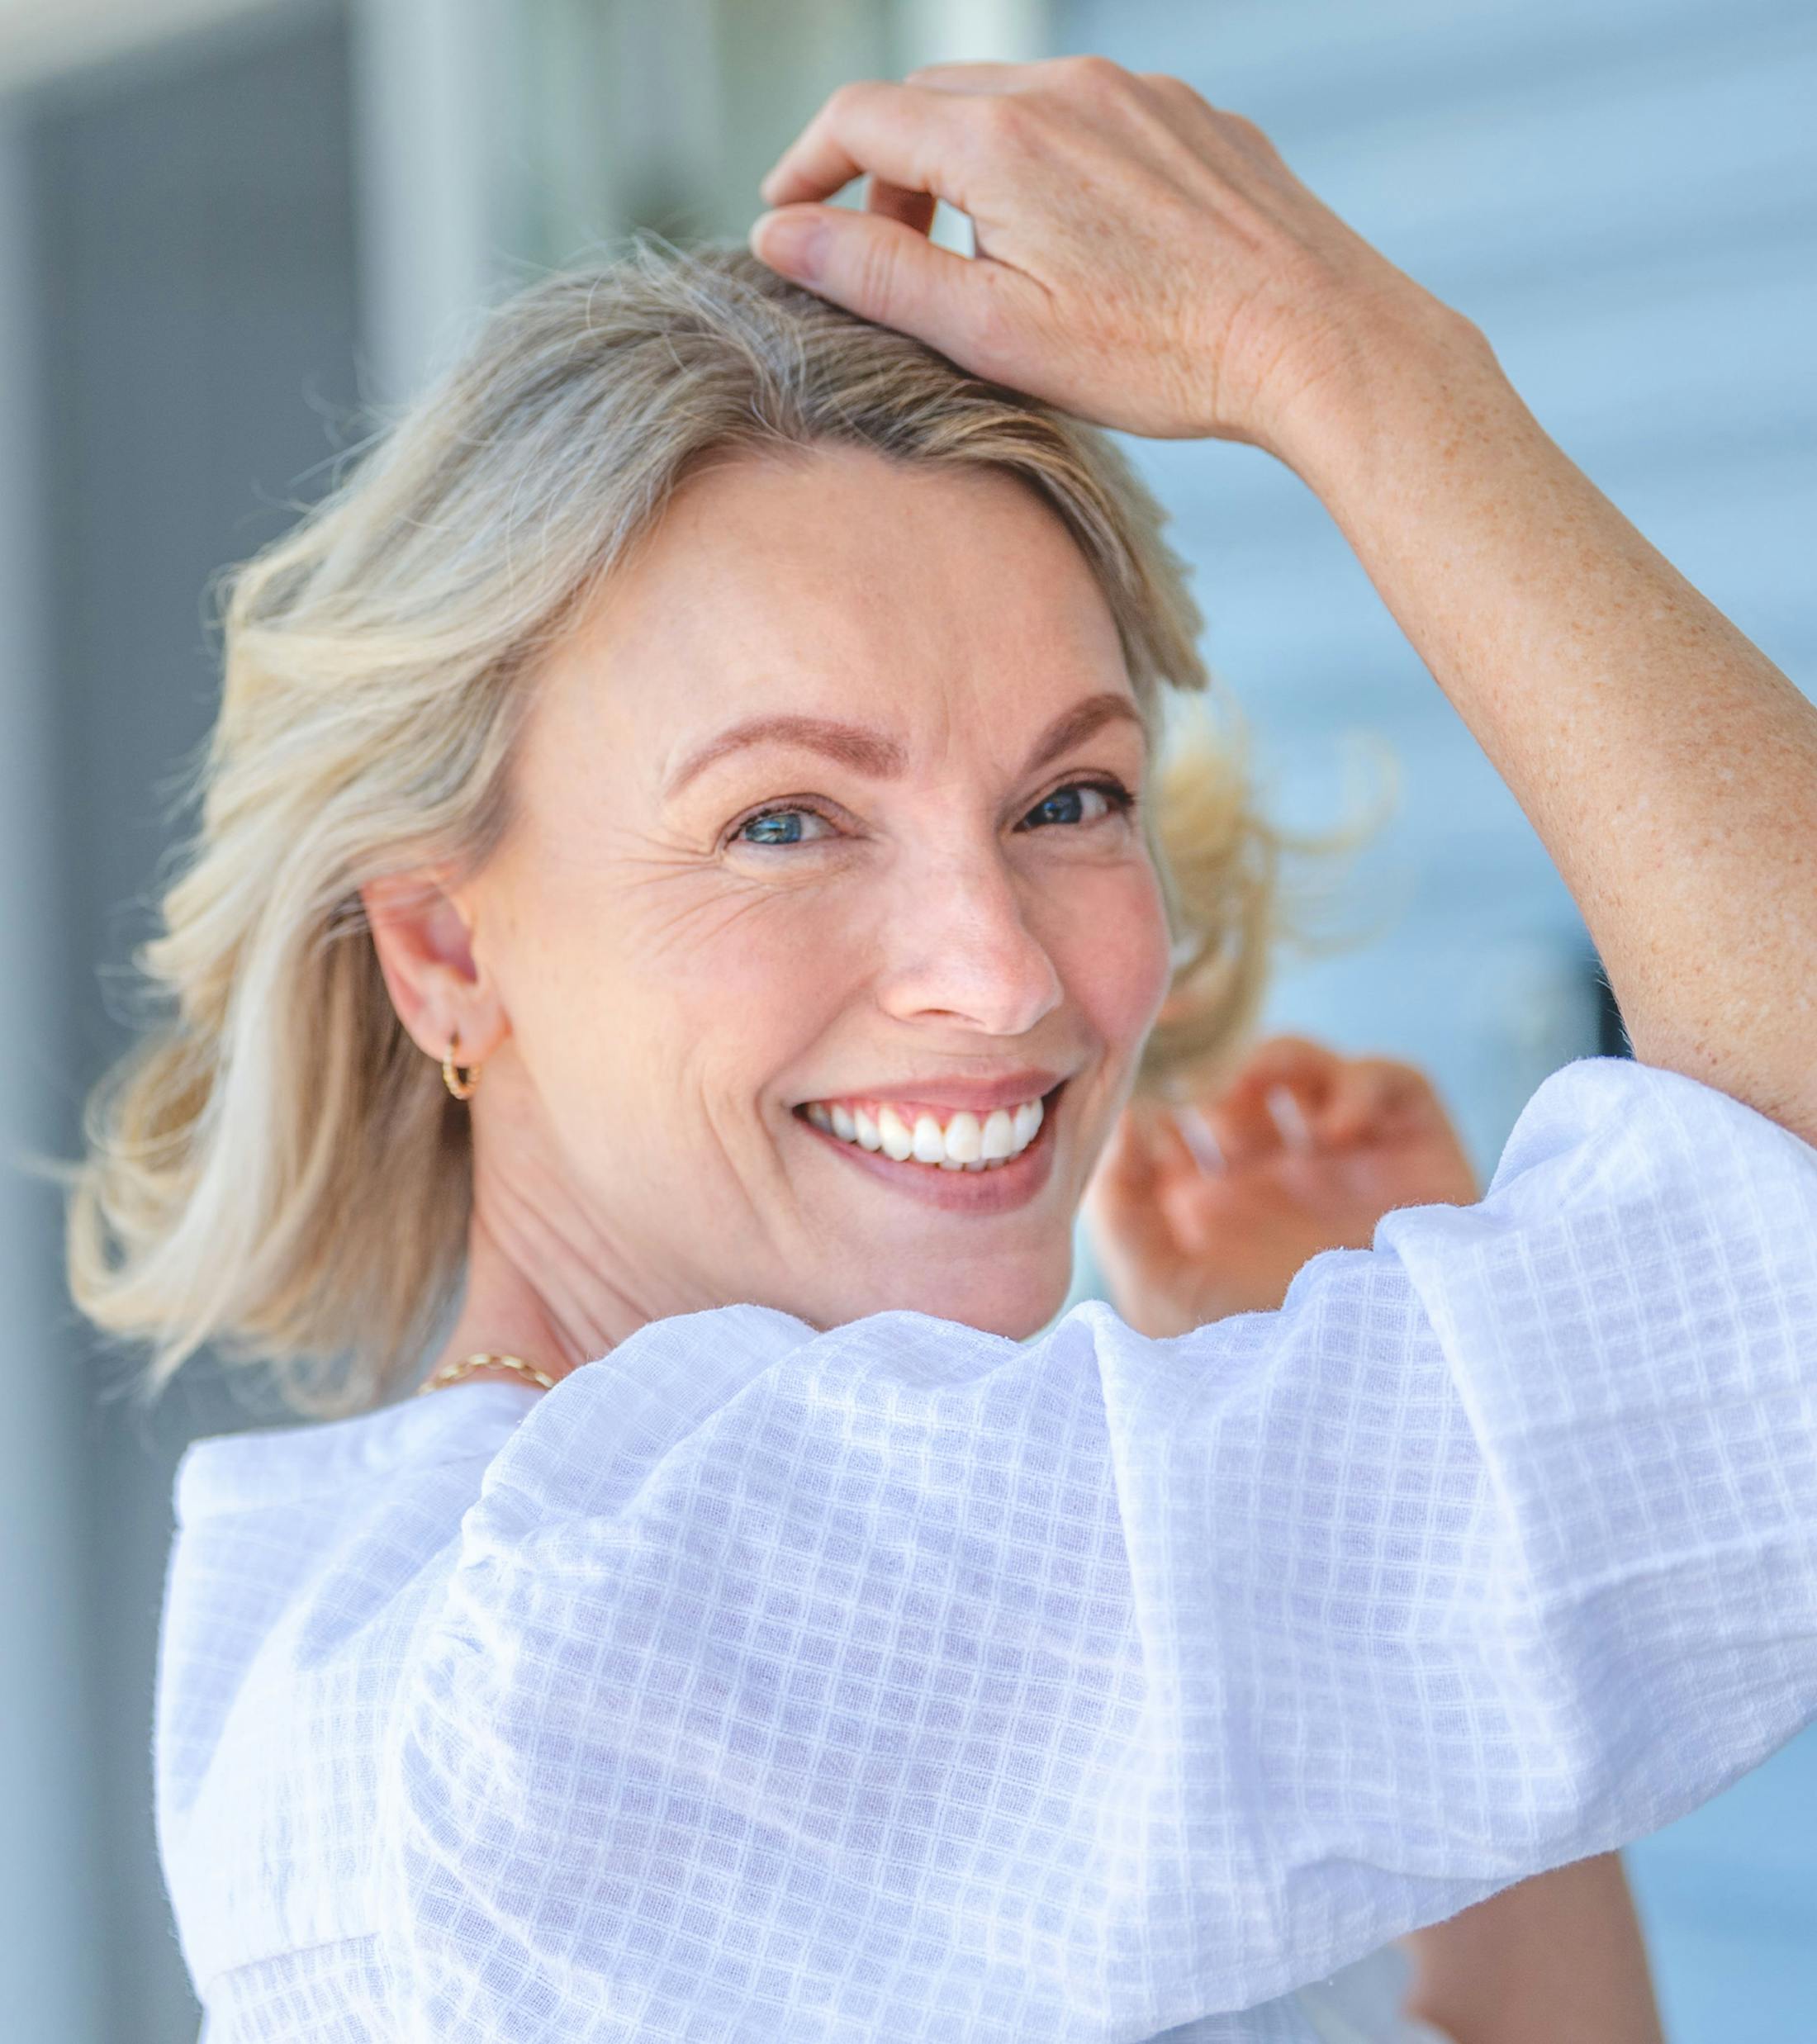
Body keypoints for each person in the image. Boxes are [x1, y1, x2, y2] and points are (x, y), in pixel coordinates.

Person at [57, 54, 1816, 2044]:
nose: (993, 973)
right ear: (447, 950)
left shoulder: (554, 1599)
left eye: (1068, 798)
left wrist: (1353, 1341)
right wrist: (1341, 354)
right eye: (782, 821)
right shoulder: (602, 1648)